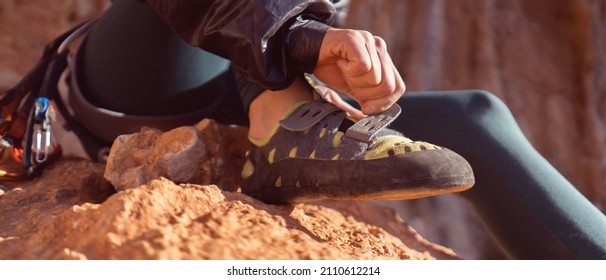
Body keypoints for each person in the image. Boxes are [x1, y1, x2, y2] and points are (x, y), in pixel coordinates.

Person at [8, 0, 606, 259]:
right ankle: (284, 123)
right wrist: (302, 39)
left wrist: (329, 61)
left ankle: (286, 128)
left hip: (243, 88)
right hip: (135, 78)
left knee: (476, 117)